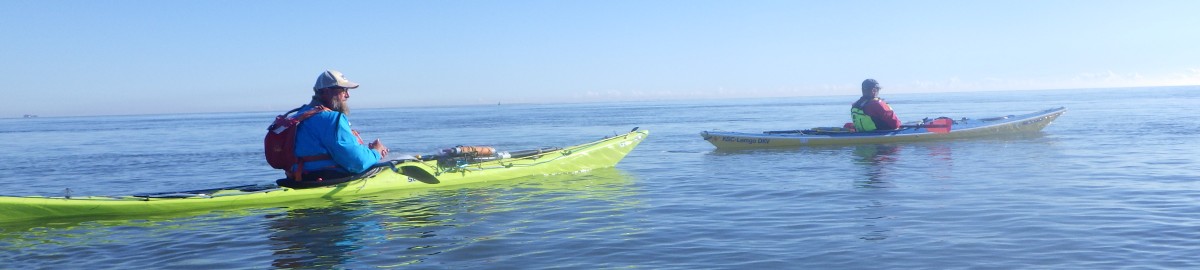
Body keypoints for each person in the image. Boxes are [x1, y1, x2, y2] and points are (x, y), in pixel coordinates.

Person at [293, 70, 389, 181]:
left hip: (297, 178)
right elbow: (358, 163)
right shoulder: (332, 119)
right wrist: (376, 152)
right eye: (343, 90)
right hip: (327, 180)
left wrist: (367, 152)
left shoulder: (299, 115)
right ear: (326, 91)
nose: (347, 95)